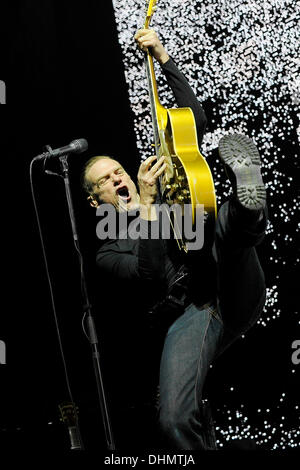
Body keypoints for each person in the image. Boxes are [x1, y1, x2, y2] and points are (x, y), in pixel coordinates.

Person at [82, 29, 267, 450]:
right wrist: (147, 204)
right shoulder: (108, 248)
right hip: (193, 310)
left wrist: (163, 57)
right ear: (97, 202)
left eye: (117, 171)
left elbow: (191, 123)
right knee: (174, 420)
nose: (118, 178)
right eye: (105, 181)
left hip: (228, 276)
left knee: (224, 224)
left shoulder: (160, 182)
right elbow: (149, 273)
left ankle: (249, 195)